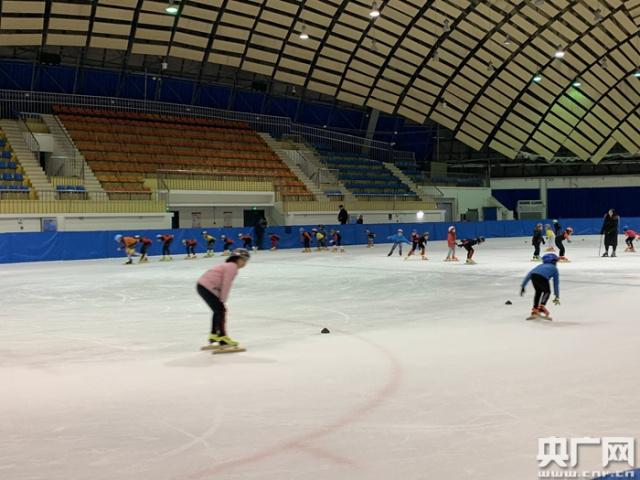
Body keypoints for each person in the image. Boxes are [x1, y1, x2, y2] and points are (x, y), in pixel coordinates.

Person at [197, 248, 250, 347]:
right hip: (207, 286)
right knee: (220, 310)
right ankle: (222, 337)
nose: (245, 263)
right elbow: (226, 284)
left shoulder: (228, 265)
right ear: (239, 259)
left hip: (203, 286)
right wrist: (223, 299)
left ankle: (213, 335)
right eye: (245, 260)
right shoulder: (232, 267)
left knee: (218, 310)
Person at [520, 253, 560, 320]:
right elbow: (556, 283)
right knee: (547, 292)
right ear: (552, 262)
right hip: (543, 278)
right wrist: (557, 295)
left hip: (534, 276)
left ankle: (535, 310)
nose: (556, 263)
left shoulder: (540, 266)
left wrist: (523, 286)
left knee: (538, 292)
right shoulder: (554, 269)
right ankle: (541, 307)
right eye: (555, 261)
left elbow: (529, 275)